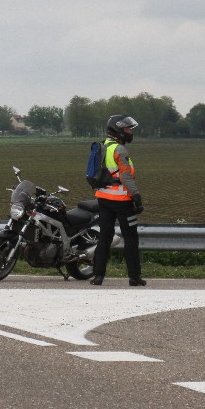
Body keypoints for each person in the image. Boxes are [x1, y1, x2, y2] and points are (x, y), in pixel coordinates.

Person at [91, 115, 146, 286]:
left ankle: (98, 276)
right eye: (127, 129)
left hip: (103, 199)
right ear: (119, 130)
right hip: (122, 201)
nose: (130, 132)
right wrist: (136, 197)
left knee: (104, 238)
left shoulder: (103, 146)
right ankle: (134, 277)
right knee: (130, 238)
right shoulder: (120, 150)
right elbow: (125, 177)